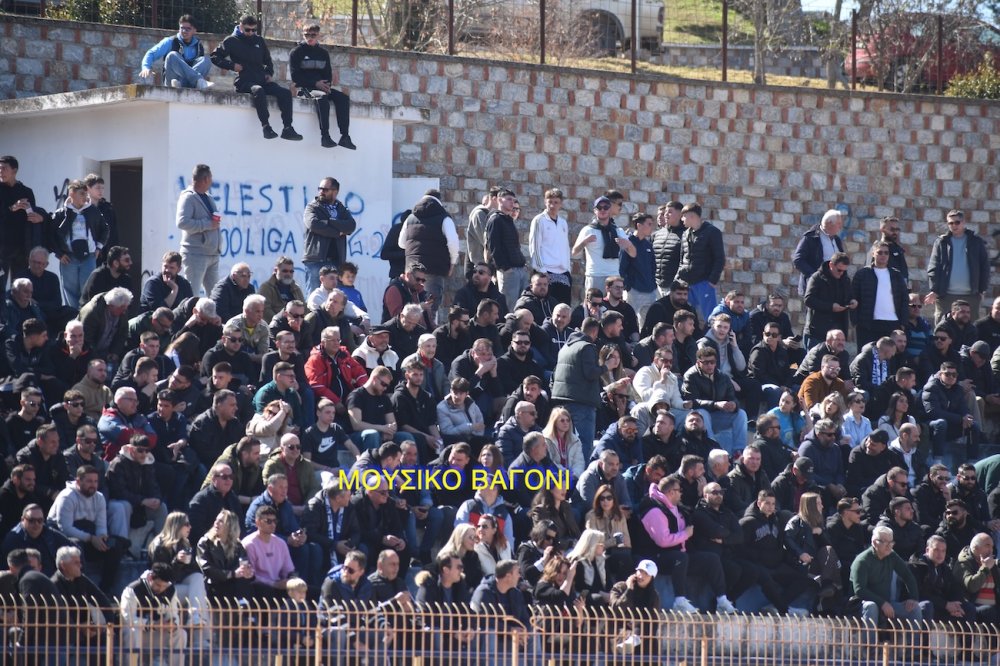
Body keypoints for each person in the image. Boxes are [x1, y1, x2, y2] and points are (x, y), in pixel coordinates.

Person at [210, 14, 302, 141]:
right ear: (241, 27)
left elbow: (268, 61)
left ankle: (288, 128)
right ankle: (266, 126)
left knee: (285, 93)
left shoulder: (259, 41)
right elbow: (214, 56)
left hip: (261, 79)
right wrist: (232, 65)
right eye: (247, 30)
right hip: (244, 81)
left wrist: (269, 73)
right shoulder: (231, 41)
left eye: (253, 30)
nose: (251, 33)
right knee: (258, 90)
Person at [47, 465, 128, 588]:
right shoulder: (67, 497)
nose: (93, 485)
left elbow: (101, 525)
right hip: (62, 537)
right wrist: (91, 538)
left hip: (88, 534)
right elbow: (65, 528)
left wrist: (101, 537)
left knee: (115, 545)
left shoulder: (99, 497)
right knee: (77, 546)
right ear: (78, 481)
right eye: (89, 481)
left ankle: (105, 589)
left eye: (95, 481)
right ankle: (81, 588)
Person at [288, 24, 355, 149]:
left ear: (318, 35)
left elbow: (328, 74)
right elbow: (295, 77)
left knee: (343, 98)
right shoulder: (296, 52)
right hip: (303, 90)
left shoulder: (323, 53)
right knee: (322, 98)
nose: (310, 38)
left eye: (313, 35)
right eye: (306, 35)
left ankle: (345, 136)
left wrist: (326, 85)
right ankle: (325, 136)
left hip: (321, 88)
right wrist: (315, 83)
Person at [398, 189, 459, 321]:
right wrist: (452, 263)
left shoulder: (410, 218)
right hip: (434, 269)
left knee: (412, 307)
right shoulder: (444, 218)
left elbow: (401, 243)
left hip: (411, 271)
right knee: (430, 309)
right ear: (439, 200)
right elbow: (453, 243)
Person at [50, 179, 109, 308]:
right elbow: (51, 235)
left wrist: (99, 247)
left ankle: (85, 316)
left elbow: (105, 229)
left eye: (86, 194)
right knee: (70, 291)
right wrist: (59, 254)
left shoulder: (92, 211)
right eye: (81, 193)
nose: (85, 197)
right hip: (68, 257)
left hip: (89, 256)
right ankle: (73, 316)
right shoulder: (61, 213)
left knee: (87, 290)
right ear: (72, 194)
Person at [925, 209, 990, 323]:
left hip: (971, 295)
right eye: (950, 223)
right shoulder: (941, 242)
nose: (954, 225)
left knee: (971, 328)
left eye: (957, 222)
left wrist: (982, 289)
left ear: (963, 222)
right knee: (943, 327)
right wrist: (935, 290)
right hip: (945, 295)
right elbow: (933, 267)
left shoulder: (976, 242)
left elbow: (984, 266)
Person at [120, 563, 187, 666]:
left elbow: (174, 613)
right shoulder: (133, 589)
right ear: (150, 578)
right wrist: (152, 624)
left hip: (156, 634)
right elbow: (127, 618)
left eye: (164, 586)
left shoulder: (170, 590)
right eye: (158, 585)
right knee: (132, 631)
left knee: (181, 633)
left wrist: (172, 624)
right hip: (138, 634)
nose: (161, 589)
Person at [149, 511, 209, 627]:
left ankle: (196, 619)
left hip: (179, 586)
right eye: (186, 524)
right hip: (163, 590)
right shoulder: (159, 545)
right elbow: (163, 577)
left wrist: (189, 562)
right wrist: (177, 562)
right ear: (176, 525)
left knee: (197, 579)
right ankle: (198, 624)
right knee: (199, 595)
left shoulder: (184, 543)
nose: (190, 527)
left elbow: (195, 572)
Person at [0, 155, 48, 291]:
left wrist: (39, 217)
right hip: (2, 248)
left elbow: (35, 213)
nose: (0, 172)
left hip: (21, 248)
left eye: (4, 168)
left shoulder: (26, 191)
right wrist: (12, 208)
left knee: (19, 288)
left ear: (14, 171)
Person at [301, 178, 356, 294]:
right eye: (320, 188)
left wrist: (329, 221)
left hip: (336, 261)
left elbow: (351, 226)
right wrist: (338, 232)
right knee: (314, 295)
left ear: (335, 191)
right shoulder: (312, 207)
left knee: (335, 296)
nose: (321, 192)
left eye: (325, 189)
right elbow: (314, 224)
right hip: (316, 260)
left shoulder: (341, 209)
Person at [852, 241, 909, 347]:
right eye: (880, 252)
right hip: (868, 323)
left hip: (893, 322)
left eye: (886, 253)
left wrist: (903, 322)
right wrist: (855, 321)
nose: (883, 255)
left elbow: (904, 299)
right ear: (873, 254)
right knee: (868, 353)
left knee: (891, 354)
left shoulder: (896, 275)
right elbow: (853, 297)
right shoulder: (862, 274)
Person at [573, 196, 631, 292]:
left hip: (614, 276)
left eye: (606, 207)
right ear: (595, 211)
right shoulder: (588, 230)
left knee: (614, 302)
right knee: (594, 301)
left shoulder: (618, 230)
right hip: (595, 275)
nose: (602, 210)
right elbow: (574, 252)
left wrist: (628, 244)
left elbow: (633, 253)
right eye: (599, 208)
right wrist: (584, 242)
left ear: (610, 209)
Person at [139, 14, 213, 89]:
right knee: (172, 55)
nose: (184, 31)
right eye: (182, 28)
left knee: (206, 60)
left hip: (189, 84)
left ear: (194, 30)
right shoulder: (170, 41)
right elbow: (151, 53)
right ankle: (198, 80)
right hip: (172, 81)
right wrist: (145, 67)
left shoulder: (198, 46)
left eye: (188, 29)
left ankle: (195, 82)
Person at [803, 252, 856, 350]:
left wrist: (852, 301)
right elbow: (808, 300)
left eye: (844, 271)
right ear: (831, 265)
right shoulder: (817, 278)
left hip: (838, 331)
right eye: (839, 270)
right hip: (818, 331)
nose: (841, 273)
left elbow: (849, 296)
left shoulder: (845, 280)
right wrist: (830, 307)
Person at [527, 188, 572, 305]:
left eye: (556, 202)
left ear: (561, 204)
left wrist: (568, 269)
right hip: (546, 271)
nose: (552, 205)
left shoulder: (563, 223)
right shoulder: (539, 220)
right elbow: (534, 247)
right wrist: (542, 271)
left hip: (563, 273)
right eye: (550, 202)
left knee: (563, 307)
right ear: (545, 202)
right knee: (546, 307)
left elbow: (565, 247)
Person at [242, 504, 296, 597]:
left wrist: (292, 581)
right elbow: (250, 576)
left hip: (278, 585)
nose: (273, 525)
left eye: (275, 521)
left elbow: (289, 570)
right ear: (258, 522)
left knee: (310, 591)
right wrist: (274, 584)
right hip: (260, 588)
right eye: (268, 521)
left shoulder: (281, 543)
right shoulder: (249, 544)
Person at [793, 209, 844, 296]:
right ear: (829, 223)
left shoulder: (837, 240)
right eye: (838, 224)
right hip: (815, 288)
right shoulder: (811, 238)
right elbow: (798, 260)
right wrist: (815, 276)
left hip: (834, 288)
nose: (840, 227)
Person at [79, 287, 133, 365]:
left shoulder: (122, 310)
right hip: (88, 354)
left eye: (125, 308)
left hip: (108, 353)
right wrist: (98, 357)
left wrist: (115, 352)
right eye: (122, 308)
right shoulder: (92, 313)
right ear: (111, 306)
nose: (124, 312)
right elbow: (86, 340)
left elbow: (122, 334)